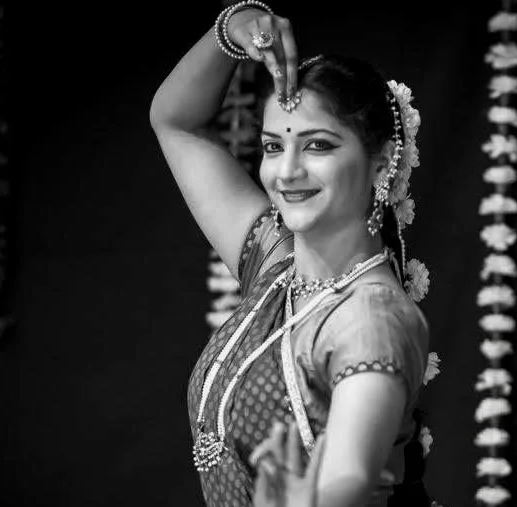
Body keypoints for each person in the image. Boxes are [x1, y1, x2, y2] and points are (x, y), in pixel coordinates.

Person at [149, 1, 431, 506]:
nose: (286, 172)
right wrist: (234, 27)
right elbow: (176, 121)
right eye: (274, 146)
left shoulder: (371, 317)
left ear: (382, 162)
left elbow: (349, 476)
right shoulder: (275, 263)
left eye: (318, 146)